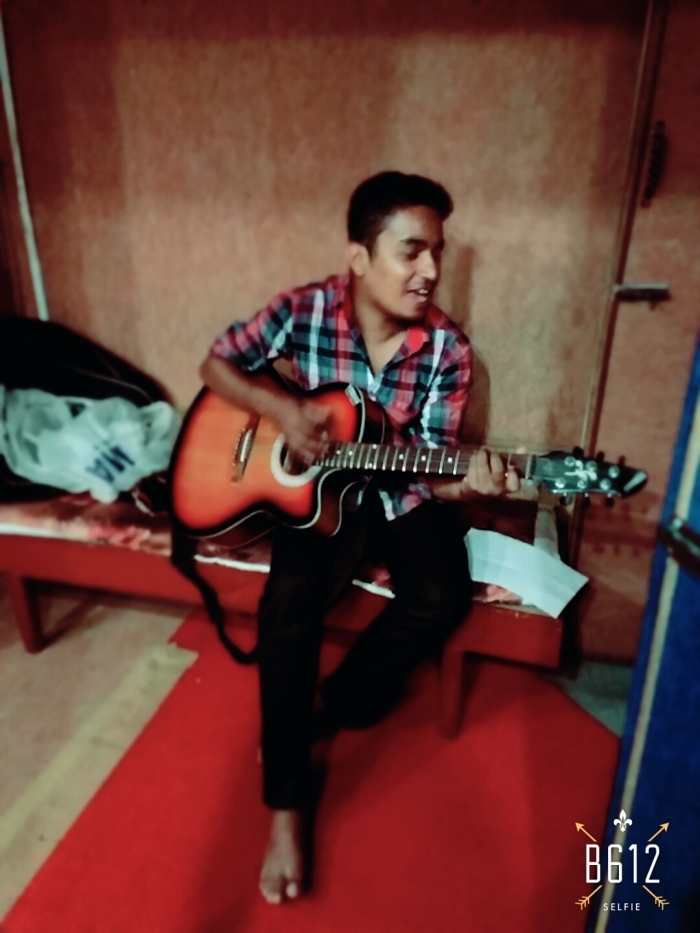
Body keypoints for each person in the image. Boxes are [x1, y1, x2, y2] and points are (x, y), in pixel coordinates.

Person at [200, 171, 519, 904]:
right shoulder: (304, 310)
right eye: (412, 250)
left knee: (440, 594)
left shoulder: (447, 349)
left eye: (437, 251)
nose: (430, 269)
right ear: (360, 257)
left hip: (400, 493)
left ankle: (332, 705)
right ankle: (286, 805)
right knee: (289, 600)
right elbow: (217, 365)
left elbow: (433, 466)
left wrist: (472, 484)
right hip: (316, 494)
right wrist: (282, 412)